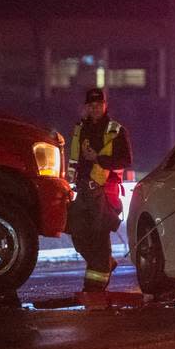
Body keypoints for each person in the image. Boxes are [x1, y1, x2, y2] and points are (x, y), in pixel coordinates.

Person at [67, 88, 132, 294]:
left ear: (105, 106)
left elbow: (126, 160)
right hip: (82, 190)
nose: (95, 109)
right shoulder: (80, 128)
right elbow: (74, 159)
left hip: (104, 191)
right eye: (91, 106)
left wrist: (98, 158)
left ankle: (94, 288)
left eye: (99, 105)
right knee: (76, 233)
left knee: (99, 236)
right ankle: (105, 262)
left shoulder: (116, 130)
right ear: (86, 107)